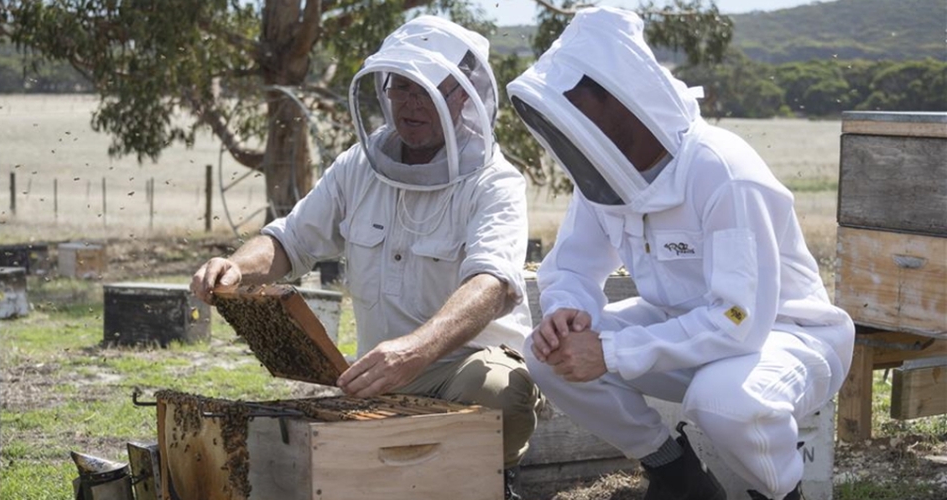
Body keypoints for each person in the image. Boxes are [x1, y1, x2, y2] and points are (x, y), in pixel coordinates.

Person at [506, 7, 853, 500]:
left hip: (783, 335)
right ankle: (677, 475)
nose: (575, 127)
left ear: (623, 98)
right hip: (681, 331)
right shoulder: (605, 174)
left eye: (580, 108)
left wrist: (610, 351)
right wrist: (568, 312)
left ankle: (782, 494)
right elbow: (573, 265)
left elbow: (738, 318)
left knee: (722, 400)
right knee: (545, 358)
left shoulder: (721, 170)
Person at [191, 15, 542, 500]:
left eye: (428, 90)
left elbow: (492, 284)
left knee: (500, 390)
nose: (411, 103)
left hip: (457, 369)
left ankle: (491, 482)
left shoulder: (494, 182)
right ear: (384, 89)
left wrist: (415, 351)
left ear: (461, 95)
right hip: (378, 376)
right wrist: (236, 267)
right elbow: (291, 239)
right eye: (401, 87)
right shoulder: (360, 164)